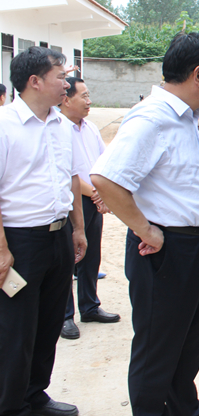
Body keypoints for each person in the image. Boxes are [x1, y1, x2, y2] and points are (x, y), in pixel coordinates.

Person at [91, 32, 199, 416]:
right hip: (170, 252)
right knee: (157, 350)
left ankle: (184, 410)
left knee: (185, 345)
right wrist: (145, 230)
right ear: (198, 73)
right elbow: (106, 179)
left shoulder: (183, 118)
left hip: (195, 248)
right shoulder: (153, 117)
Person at [0, 47, 87, 416]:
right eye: (59, 76)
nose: (66, 82)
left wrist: (78, 228)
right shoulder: (5, 126)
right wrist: (2, 250)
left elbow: (70, 179)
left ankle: (35, 393)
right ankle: (9, 406)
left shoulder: (62, 126)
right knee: (16, 329)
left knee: (50, 321)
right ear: (35, 81)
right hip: (20, 242)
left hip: (58, 236)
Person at [59, 77, 120, 341]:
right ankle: (64, 316)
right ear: (66, 99)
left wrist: (103, 194)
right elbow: (66, 172)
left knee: (91, 254)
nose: (89, 101)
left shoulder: (91, 128)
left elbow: (101, 163)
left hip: (95, 198)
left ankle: (90, 306)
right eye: (83, 96)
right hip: (73, 200)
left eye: (88, 95)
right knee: (69, 257)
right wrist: (96, 194)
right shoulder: (58, 128)